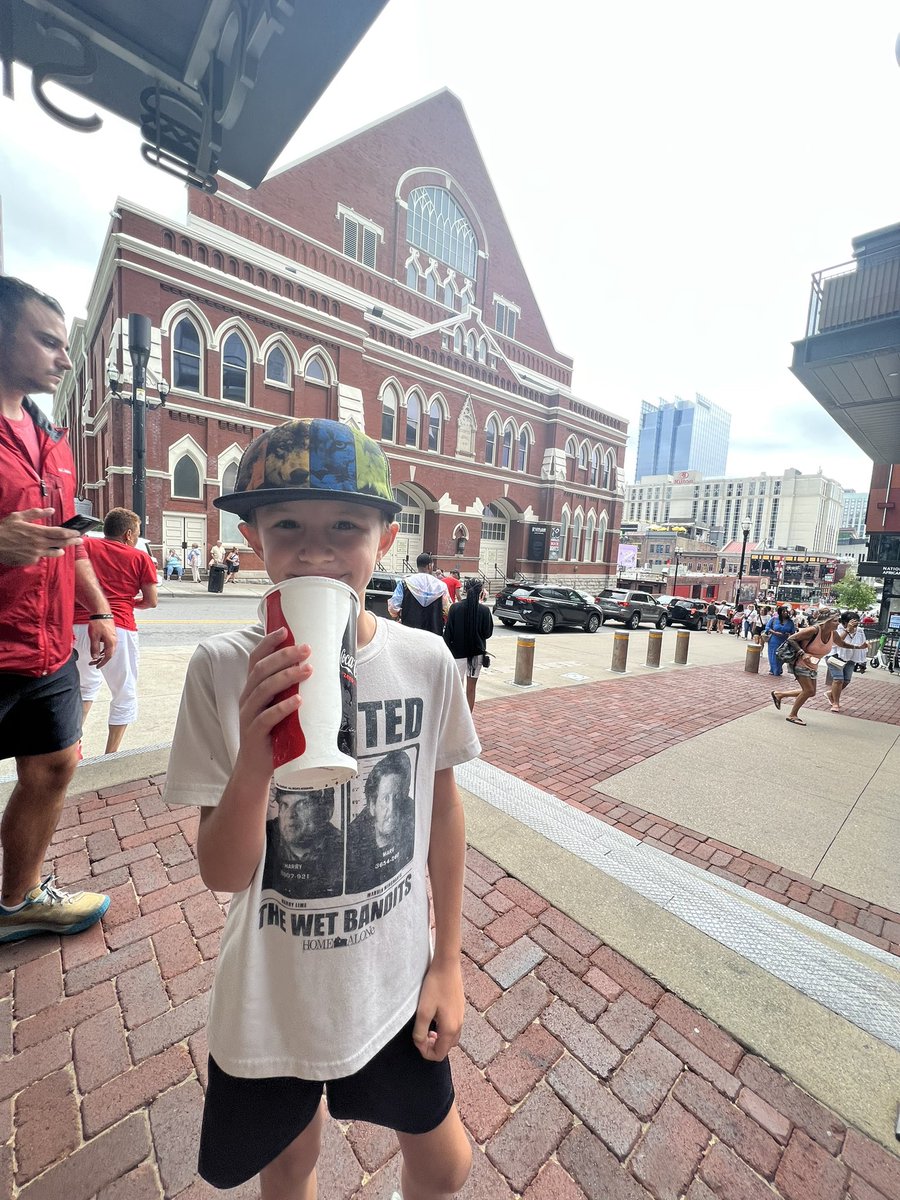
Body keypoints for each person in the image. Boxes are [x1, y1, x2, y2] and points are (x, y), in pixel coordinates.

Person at [164, 417, 478, 1198]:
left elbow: (441, 812)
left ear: (387, 537)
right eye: (287, 526)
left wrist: (448, 961)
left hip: (395, 979)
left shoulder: (424, 659)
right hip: (275, 997)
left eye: (345, 525)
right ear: (252, 542)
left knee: (444, 1162)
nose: (314, 550)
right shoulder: (220, 668)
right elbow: (222, 873)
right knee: (291, 1168)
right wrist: (251, 754)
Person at [0, 275, 115, 943]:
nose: (65, 358)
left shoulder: (53, 440)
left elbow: (69, 542)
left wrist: (97, 609)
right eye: (48, 341)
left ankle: (17, 901)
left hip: (46, 650)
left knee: (55, 765)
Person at [73, 508, 158, 755]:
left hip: (77, 626)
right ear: (129, 534)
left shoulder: (85, 547)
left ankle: (72, 746)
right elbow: (151, 601)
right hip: (118, 627)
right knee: (124, 692)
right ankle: (110, 755)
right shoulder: (138, 557)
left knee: (85, 688)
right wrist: (125, 602)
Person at [346, 749, 417, 893]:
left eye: (397, 798)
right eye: (385, 799)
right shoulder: (350, 844)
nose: (391, 808)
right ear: (372, 806)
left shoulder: (410, 813)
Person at [261, 788, 344, 899]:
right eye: (284, 805)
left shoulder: (344, 848)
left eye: (302, 805)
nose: (290, 814)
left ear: (327, 810)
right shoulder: (266, 834)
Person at [771, 608, 841, 726]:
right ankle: (792, 715)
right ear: (826, 621)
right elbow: (791, 638)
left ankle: (779, 694)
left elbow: (842, 643)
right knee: (808, 690)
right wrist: (802, 653)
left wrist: (858, 647)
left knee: (811, 692)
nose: (838, 623)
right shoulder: (813, 630)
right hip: (800, 662)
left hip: (812, 665)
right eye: (835, 621)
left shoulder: (833, 634)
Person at [443, 578, 494, 711]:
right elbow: (487, 633)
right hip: (476, 653)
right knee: (471, 690)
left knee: (458, 689)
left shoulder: (455, 608)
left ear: (465, 590)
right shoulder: (484, 610)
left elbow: (448, 635)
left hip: (457, 654)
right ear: (481, 592)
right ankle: (468, 720)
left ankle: (457, 719)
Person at [388, 551, 450, 634]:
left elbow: (393, 607)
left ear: (417, 566)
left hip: (409, 631)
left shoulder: (405, 583)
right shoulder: (441, 586)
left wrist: (398, 615)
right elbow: (447, 609)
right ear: (429, 566)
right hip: (433, 632)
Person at [826, 611, 868, 713]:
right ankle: (836, 703)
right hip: (835, 655)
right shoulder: (837, 629)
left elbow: (863, 646)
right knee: (838, 680)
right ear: (844, 623)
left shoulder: (860, 631)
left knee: (846, 681)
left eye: (857, 623)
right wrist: (847, 630)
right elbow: (836, 643)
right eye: (852, 623)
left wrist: (863, 662)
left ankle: (831, 693)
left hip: (850, 657)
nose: (855, 625)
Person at [763, 604, 795, 676]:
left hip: (784, 641)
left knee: (781, 656)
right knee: (773, 656)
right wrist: (774, 632)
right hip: (774, 640)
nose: (785, 613)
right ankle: (775, 670)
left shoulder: (790, 622)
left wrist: (788, 634)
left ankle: (778, 668)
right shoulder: (774, 619)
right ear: (780, 612)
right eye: (783, 611)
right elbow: (767, 627)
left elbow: (793, 632)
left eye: (786, 612)